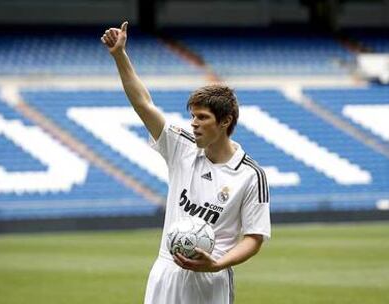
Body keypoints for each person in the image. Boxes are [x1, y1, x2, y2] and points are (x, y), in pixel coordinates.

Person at [101, 21, 271, 304]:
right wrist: (119, 55)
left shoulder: (251, 175)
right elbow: (144, 104)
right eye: (192, 116)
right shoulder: (182, 147)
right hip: (166, 271)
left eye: (202, 118)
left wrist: (217, 264)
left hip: (211, 278)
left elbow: (254, 238)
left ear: (225, 121)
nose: (194, 124)